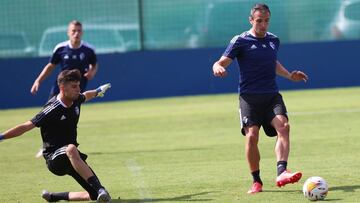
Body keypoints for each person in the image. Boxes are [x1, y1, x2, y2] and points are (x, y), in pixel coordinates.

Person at [212, 3, 308, 194]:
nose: (263, 25)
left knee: (284, 127)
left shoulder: (274, 40)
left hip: (272, 96)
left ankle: (281, 172)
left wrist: (289, 75)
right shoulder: (241, 40)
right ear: (251, 20)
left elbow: (272, 62)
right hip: (249, 99)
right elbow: (221, 61)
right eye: (259, 21)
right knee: (252, 137)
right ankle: (256, 181)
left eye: (266, 21)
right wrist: (217, 67)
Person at [1, 70, 112, 202]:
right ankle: (101, 189)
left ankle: (54, 196)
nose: (79, 89)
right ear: (62, 88)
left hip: (73, 157)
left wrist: (98, 91)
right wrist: (1, 137)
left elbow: (86, 95)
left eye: (79, 85)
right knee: (71, 149)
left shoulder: (76, 99)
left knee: (93, 196)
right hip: (54, 157)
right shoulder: (52, 108)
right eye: (74, 86)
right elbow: (26, 126)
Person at [31, 20, 98, 158]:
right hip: (59, 90)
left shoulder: (88, 50)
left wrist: (92, 72)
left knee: (69, 118)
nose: (76, 33)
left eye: (79, 31)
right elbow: (50, 66)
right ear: (68, 32)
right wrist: (38, 80)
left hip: (75, 92)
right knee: (47, 116)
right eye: (73, 31)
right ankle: (46, 147)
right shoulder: (61, 48)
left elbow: (94, 64)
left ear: (82, 32)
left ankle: (69, 147)